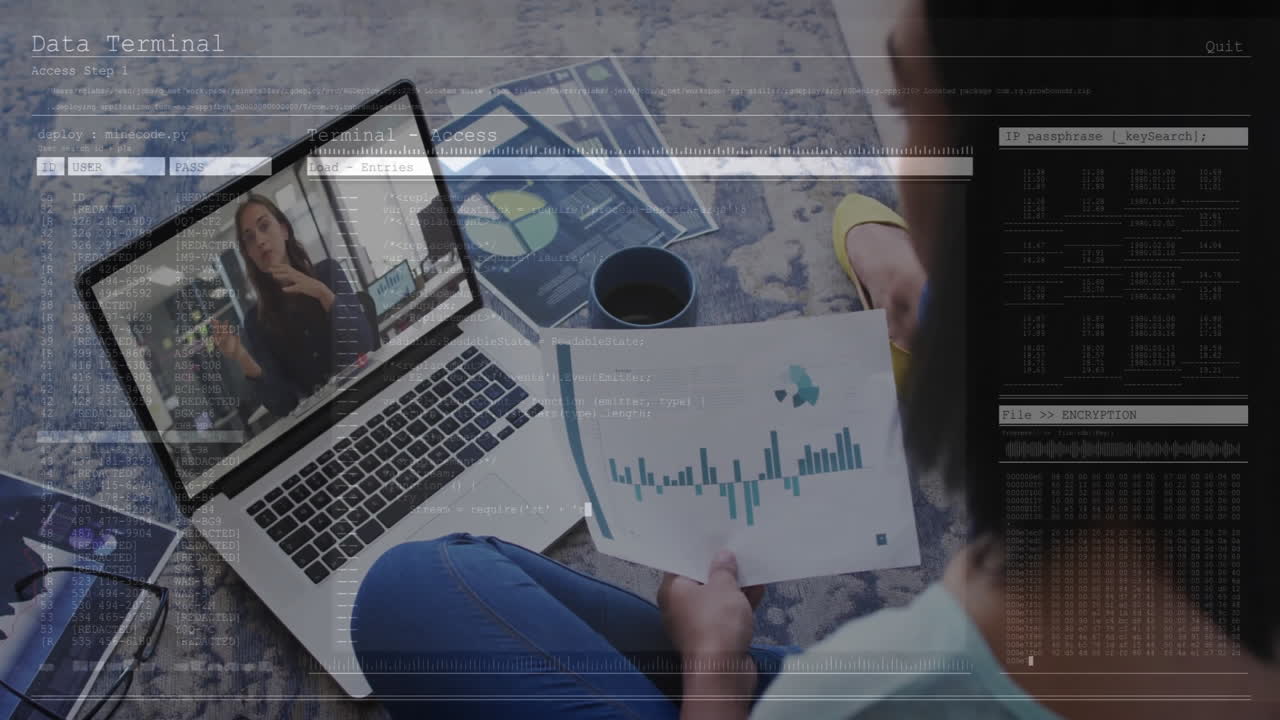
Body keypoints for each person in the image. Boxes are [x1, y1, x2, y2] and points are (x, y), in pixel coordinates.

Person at [352, 2, 1278, 718]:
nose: (903, 158)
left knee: (412, 591)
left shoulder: (867, 695)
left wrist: (716, 675)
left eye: (913, 108)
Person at [211, 194, 377, 417]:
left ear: (284, 231)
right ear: (249, 254)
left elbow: (363, 345)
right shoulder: (256, 321)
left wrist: (321, 293)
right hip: (323, 420)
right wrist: (242, 357)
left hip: (368, 393)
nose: (260, 241)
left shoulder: (328, 273)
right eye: (249, 239)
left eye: (264, 226)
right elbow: (283, 405)